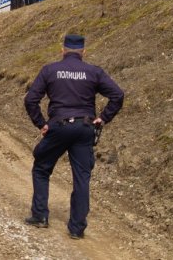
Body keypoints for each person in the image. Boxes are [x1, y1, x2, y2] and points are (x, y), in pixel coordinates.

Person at [23, 34, 124, 240]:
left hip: (58, 127)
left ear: (63, 50)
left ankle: (40, 215)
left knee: (41, 167)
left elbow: (31, 99)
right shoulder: (94, 72)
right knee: (82, 177)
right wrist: (103, 118)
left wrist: (41, 123)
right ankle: (77, 228)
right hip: (85, 128)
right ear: (83, 52)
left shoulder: (49, 70)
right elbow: (118, 95)